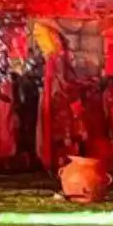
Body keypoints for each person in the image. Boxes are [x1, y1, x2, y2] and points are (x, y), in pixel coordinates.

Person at [34, 22, 86, 175]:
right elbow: (62, 82)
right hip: (61, 101)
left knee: (64, 135)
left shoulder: (55, 59)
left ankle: (62, 165)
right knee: (65, 135)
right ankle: (63, 166)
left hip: (59, 100)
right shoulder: (55, 59)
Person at [0, 69, 26, 172]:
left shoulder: (11, 78)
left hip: (6, 110)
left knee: (8, 133)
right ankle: (0, 162)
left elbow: (16, 97)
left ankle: (8, 162)